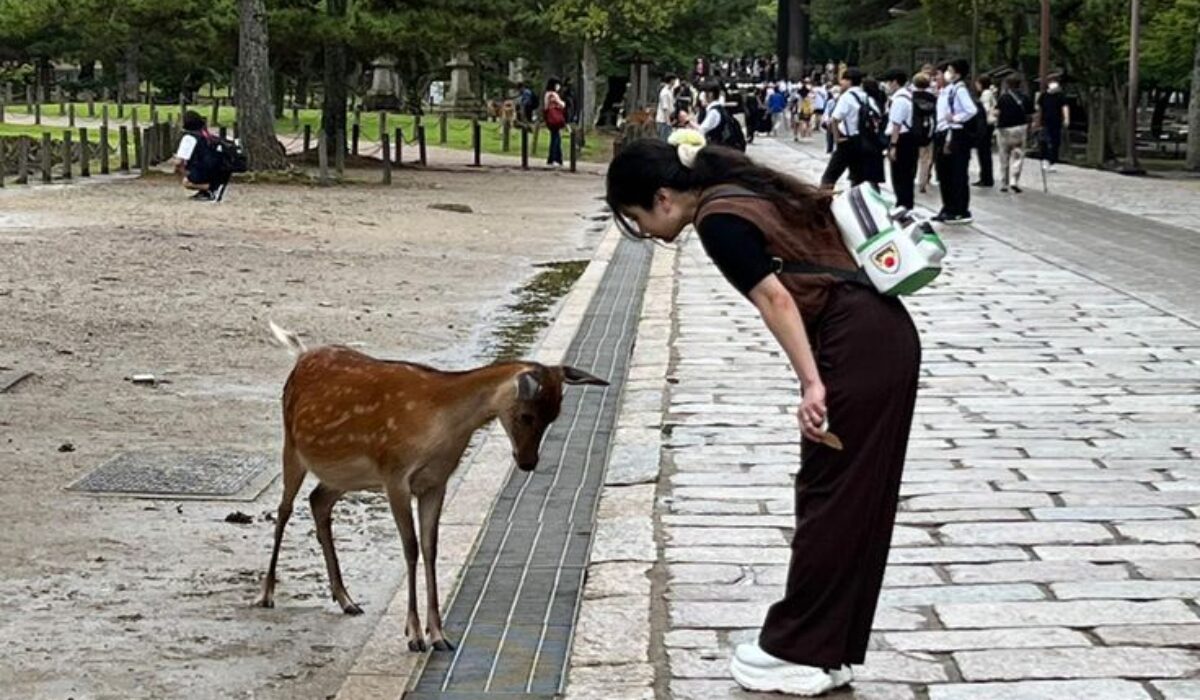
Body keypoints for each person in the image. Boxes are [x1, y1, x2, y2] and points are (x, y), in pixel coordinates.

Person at [605, 137, 921, 699]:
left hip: (857, 343)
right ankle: (832, 649)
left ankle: (798, 650)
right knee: (854, 498)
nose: (647, 231)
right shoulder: (740, 190)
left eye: (638, 217)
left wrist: (811, 383)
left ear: (662, 197)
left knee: (830, 496)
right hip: (882, 333)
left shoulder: (718, 220)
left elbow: (776, 299)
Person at [933, 59, 978, 224]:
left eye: (949, 70)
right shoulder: (948, 90)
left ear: (957, 73)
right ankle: (948, 207)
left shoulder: (959, 89)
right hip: (943, 132)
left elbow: (971, 110)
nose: (945, 74)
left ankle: (960, 209)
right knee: (945, 174)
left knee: (956, 173)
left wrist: (956, 119)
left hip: (954, 133)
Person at [822, 68, 879, 189]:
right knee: (859, 178)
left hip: (848, 142)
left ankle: (822, 201)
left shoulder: (847, 97)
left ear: (849, 81)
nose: (841, 83)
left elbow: (835, 119)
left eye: (843, 80)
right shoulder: (867, 98)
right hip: (865, 142)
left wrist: (837, 138)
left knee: (830, 176)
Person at [881, 69, 918, 212]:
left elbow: (896, 124)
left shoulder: (900, 99)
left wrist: (893, 145)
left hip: (901, 139)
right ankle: (906, 203)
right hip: (907, 138)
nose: (887, 85)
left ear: (895, 82)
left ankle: (903, 204)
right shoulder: (908, 96)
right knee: (906, 174)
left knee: (900, 174)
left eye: (888, 82)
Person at [174, 110, 230, 202]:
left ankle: (212, 188)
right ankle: (207, 190)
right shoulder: (206, 135)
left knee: (186, 182)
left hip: (202, 170)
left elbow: (178, 161)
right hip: (216, 168)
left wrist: (182, 172)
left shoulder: (188, 138)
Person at [996, 74, 1032, 193]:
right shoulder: (1025, 98)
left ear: (1007, 85)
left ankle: (1004, 183)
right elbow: (1031, 114)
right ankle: (1014, 180)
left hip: (1004, 130)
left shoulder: (1003, 98)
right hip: (1020, 129)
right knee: (1018, 155)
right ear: (1019, 84)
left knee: (1004, 156)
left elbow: (996, 112)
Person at [911, 72, 937, 194]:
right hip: (928, 130)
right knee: (925, 159)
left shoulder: (911, 97)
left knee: (912, 157)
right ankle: (923, 182)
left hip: (913, 130)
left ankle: (910, 178)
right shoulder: (933, 99)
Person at [1037, 78, 1069, 170]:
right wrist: (1037, 121)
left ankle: (1053, 161)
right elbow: (1039, 108)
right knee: (1044, 141)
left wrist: (1066, 118)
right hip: (1045, 122)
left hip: (1057, 122)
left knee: (1055, 142)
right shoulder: (1044, 96)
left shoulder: (1060, 96)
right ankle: (1044, 159)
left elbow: (1065, 107)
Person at [973, 76, 998, 187]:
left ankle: (986, 178)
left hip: (985, 125)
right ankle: (985, 177)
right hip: (988, 125)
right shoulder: (989, 93)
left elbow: (985, 109)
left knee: (983, 152)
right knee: (984, 152)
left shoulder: (986, 94)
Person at [543, 78, 567, 167]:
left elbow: (545, 107)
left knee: (555, 137)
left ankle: (555, 158)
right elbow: (562, 104)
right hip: (555, 119)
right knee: (556, 139)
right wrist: (562, 103)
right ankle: (554, 158)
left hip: (550, 119)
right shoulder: (553, 94)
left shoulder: (546, 94)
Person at [656, 74, 679, 141]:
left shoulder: (670, 90)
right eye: (674, 80)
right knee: (664, 140)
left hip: (668, 119)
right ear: (671, 81)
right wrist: (668, 122)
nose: (675, 82)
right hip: (664, 120)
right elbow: (665, 108)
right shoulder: (665, 93)